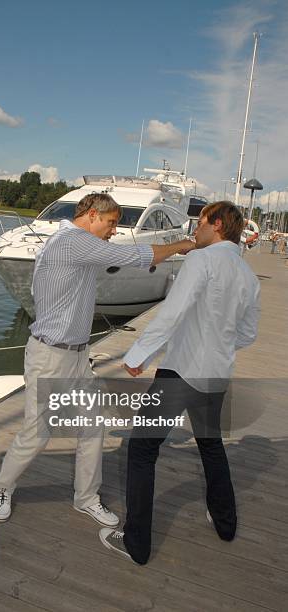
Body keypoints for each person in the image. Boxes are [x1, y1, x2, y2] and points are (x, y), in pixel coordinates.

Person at [0, 193, 195, 526]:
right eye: (112, 222)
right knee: (37, 433)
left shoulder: (76, 243)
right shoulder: (72, 242)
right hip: (50, 357)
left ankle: (85, 497)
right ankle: (1, 487)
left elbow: (120, 255)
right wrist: (181, 244)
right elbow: (131, 253)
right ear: (90, 216)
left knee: (91, 426)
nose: (115, 230)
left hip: (77, 356)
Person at [99, 201, 260, 563]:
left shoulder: (201, 260)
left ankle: (137, 544)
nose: (196, 230)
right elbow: (247, 334)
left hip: (181, 372)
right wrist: (216, 343)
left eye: (200, 223)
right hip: (216, 373)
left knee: (142, 450)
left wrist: (139, 354)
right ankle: (225, 522)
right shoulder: (248, 276)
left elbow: (172, 312)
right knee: (210, 443)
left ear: (216, 224)